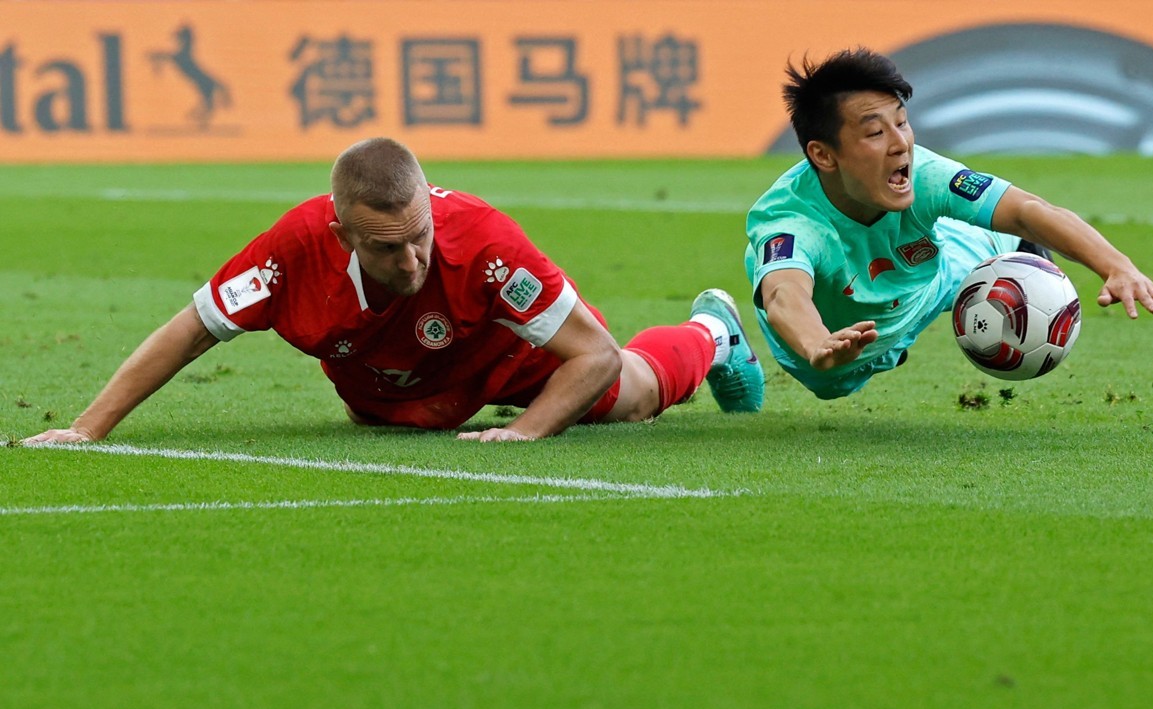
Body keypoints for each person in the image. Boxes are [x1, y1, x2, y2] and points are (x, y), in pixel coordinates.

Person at [24, 137, 764, 446]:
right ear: (342, 233)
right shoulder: (290, 256)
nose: (413, 260)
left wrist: (523, 432)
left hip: (502, 351)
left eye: (421, 236)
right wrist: (88, 428)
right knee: (391, 421)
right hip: (396, 392)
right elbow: (191, 328)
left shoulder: (483, 242)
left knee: (627, 393)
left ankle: (712, 333)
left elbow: (594, 355)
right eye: (388, 247)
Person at [745, 48, 1153, 400]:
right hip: (836, 351)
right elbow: (785, 293)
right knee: (832, 387)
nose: (901, 144)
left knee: (1016, 236)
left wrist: (1116, 265)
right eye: (876, 133)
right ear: (823, 154)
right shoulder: (791, 223)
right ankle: (724, 342)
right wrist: (817, 344)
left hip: (936, 279)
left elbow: (1028, 210)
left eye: (902, 123)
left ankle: (1018, 262)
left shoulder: (924, 173)